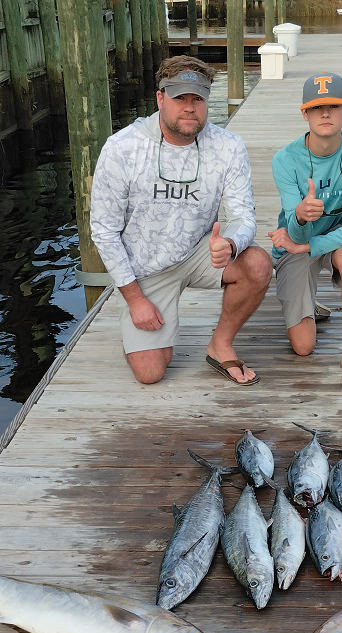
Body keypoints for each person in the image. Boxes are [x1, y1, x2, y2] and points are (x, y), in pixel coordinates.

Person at [90, 56, 272, 386]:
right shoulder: (122, 148)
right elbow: (104, 230)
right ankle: (141, 331)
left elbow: (242, 216)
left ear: (206, 102)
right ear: (160, 98)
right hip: (145, 269)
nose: (189, 108)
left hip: (199, 252)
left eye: (197, 99)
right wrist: (135, 300)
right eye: (180, 98)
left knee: (258, 264)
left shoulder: (229, 146)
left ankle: (221, 343)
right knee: (150, 372)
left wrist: (231, 244)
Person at [268, 72, 342, 388]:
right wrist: (301, 217)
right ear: (305, 113)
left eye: (334, 106)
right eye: (317, 108)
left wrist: (311, 245)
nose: (325, 114)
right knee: (303, 347)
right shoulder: (284, 160)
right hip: (293, 243)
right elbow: (296, 236)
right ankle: (306, 299)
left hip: (332, 239)